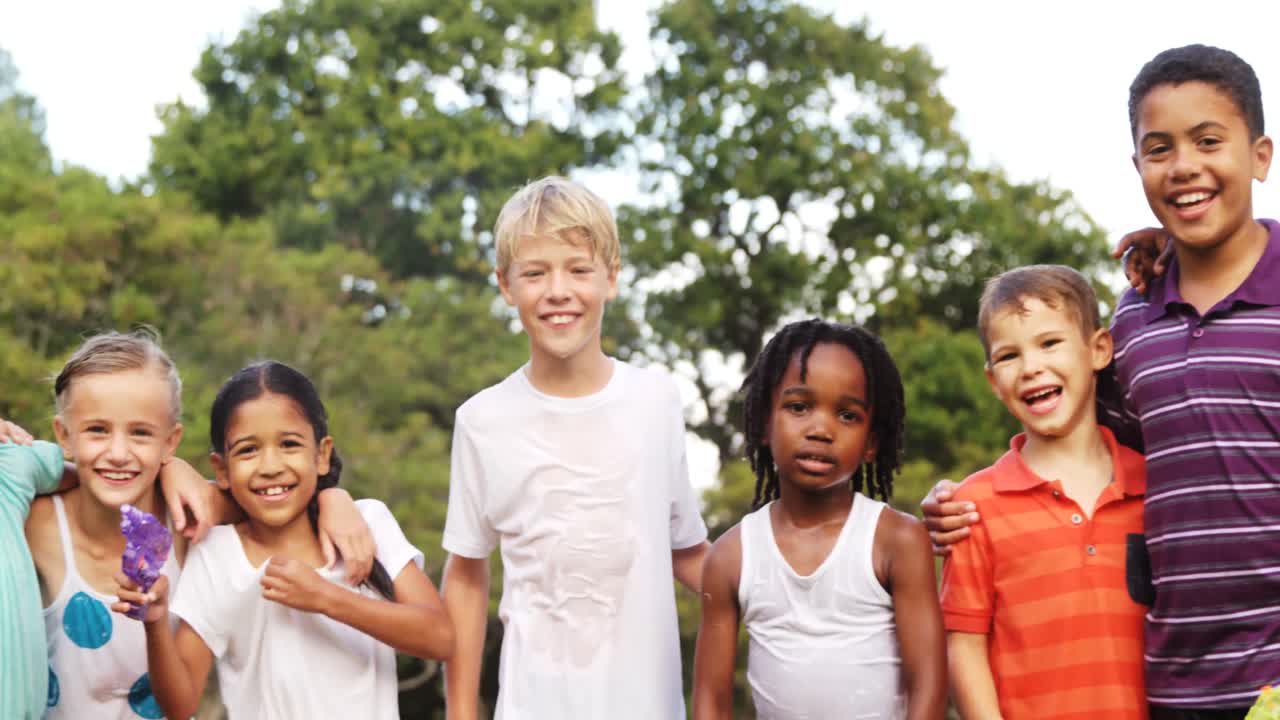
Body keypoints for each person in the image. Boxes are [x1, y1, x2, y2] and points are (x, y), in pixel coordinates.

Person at [926, 44, 1280, 716]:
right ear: (1138, 165)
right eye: (1160, 149)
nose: (1184, 165)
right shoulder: (1135, 317)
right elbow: (1079, 446)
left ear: (1260, 156)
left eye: (1209, 141)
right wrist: (959, 503)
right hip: (1171, 686)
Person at [440, 176, 710, 719]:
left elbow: (690, 555)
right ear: (505, 285)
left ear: (612, 277)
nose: (558, 290)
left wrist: (803, 584)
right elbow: (466, 574)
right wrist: (461, 714)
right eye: (535, 273)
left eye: (579, 270)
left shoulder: (656, 400)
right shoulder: (481, 422)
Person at [8, 330, 373, 720]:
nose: (118, 453)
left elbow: (280, 499)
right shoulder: (32, 523)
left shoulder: (193, 516)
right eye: (97, 430)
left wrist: (330, 498)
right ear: (64, 436)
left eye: (141, 433)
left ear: (171, 442)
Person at [115, 360, 455, 719]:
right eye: (248, 450)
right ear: (222, 470)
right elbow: (179, 705)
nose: (270, 466)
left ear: (321, 455)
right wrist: (155, 623)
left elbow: (441, 638)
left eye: (289, 444)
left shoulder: (367, 524)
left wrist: (326, 598)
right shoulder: (217, 554)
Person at [691, 319, 945, 720]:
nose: (821, 429)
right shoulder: (730, 556)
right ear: (763, 423)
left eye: (847, 415)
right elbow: (710, 698)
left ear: (871, 443)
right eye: (799, 407)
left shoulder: (897, 540)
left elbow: (929, 684)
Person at [941, 266, 1147, 718]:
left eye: (1050, 343)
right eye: (1009, 356)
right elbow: (965, 644)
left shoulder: (1153, 488)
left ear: (1098, 350)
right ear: (993, 381)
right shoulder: (974, 506)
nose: (1031, 367)